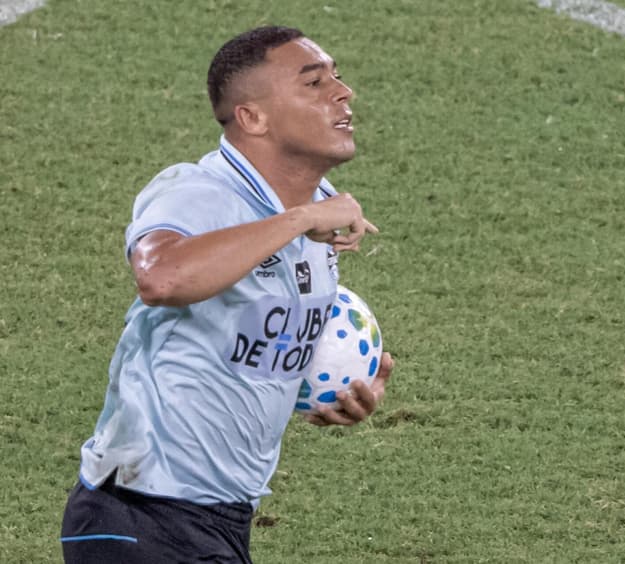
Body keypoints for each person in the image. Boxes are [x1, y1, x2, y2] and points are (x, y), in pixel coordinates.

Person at [60, 25, 394, 563]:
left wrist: (329, 386)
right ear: (252, 117)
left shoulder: (313, 223)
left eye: (337, 75)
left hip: (219, 519)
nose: (342, 91)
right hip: (138, 515)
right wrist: (301, 218)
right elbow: (161, 277)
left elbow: (236, 344)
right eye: (313, 82)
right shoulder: (200, 192)